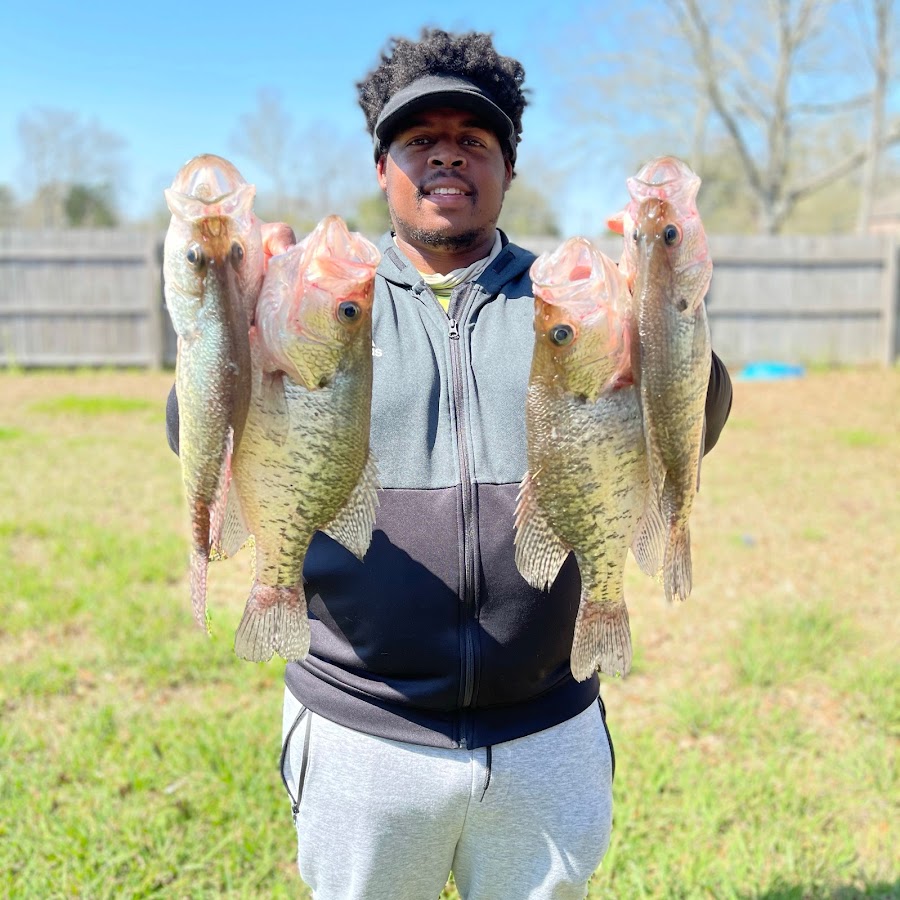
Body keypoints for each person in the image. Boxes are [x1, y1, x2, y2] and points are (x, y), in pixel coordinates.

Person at [166, 27, 732, 900]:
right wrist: (233, 316)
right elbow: (196, 430)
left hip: (548, 726)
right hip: (361, 728)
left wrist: (671, 320)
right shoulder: (314, 289)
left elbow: (690, 423)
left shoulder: (569, 297)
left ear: (509, 167)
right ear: (380, 164)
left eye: (473, 140)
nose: (446, 157)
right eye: (418, 139)